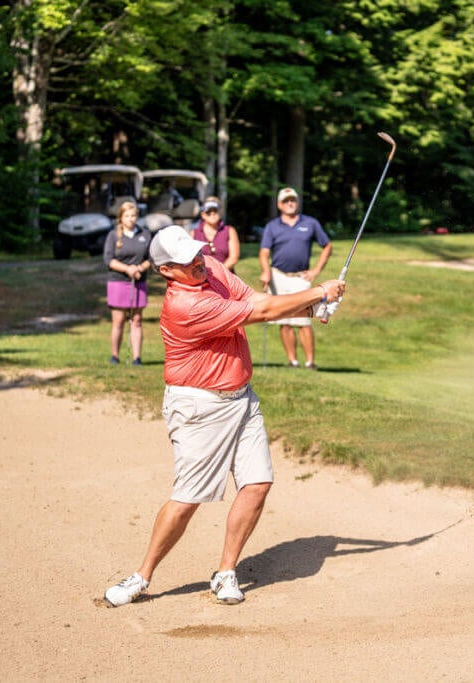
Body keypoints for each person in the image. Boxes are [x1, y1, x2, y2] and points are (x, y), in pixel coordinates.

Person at [103, 225, 344, 607]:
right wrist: (318, 293)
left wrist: (312, 308)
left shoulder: (210, 266)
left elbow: (254, 298)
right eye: (186, 261)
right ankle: (142, 576)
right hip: (199, 407)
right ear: (166, 271)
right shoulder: (184, 306)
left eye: (197, 253)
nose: (198, 263)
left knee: (258, 482)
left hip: (241, 398)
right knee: (188, 499)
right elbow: (261, 312)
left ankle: (226, 572)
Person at [258, 187, 333, 369]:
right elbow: (264, 252)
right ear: (279, 204)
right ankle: (292, 361)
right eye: (286, 201)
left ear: (297, 202)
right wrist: (266, 271)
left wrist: (315, 271)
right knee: (284, 320)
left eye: (292, 200)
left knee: (304, 321)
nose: (290, 203)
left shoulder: (310, 223)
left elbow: (327, 246)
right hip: (278, 276)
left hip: (300, 277)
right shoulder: (272, 226)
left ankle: (309, 362)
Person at [103, 201, 153, 366]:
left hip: (138, 281)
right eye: (127, 216)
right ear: (121, 217)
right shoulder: (113, 236)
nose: (131, 219)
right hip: (118, 282)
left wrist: (140, 268)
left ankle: (137, 357)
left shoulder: (144, 234)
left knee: (137, 320)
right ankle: (114, 355)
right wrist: (127, 269)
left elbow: (151, 258)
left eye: (133, 216)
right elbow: (108, 260)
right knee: (119, 321)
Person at [191, 196, 240, 272]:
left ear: (220, 213)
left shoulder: (230, 231)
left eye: (215, 210)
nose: (212, 213)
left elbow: (234, 258)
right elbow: (190, 258)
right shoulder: (193, 233)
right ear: (203, 214)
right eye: (209, 211)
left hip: (225, 275)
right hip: (201, 276)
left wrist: (218, 272)